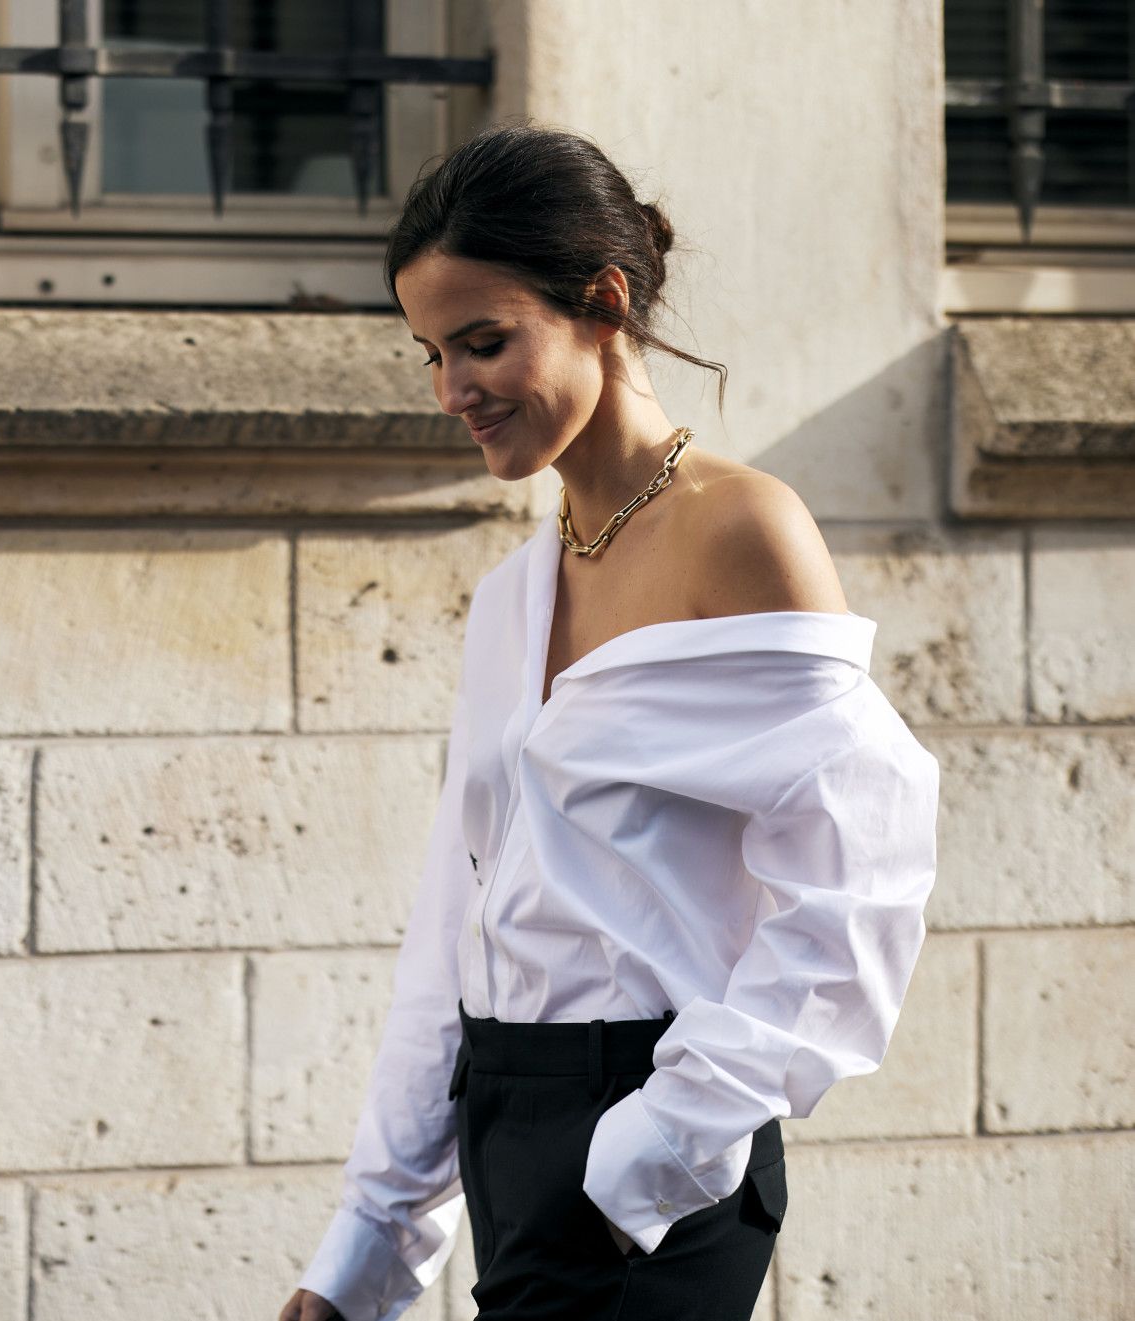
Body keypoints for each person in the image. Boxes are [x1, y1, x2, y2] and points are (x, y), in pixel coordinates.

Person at [275, 119, 942, 1321]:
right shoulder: (508, 601)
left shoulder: (740, 530)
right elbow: (455, 925)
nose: (452, 389)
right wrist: (366, 1244)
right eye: (429, 352)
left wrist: (663, 1141)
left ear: (604, 302)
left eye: (484, 342)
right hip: (505, 1131)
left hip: (646, 1145)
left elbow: (861, 876)